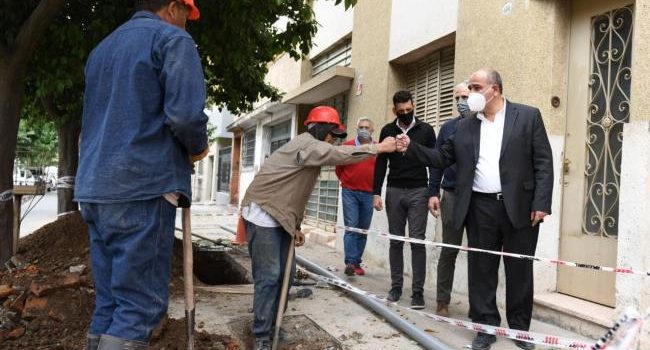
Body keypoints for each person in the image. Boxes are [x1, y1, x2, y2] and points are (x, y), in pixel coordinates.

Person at [75, 1, 207, 349]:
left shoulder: (101, 50)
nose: (186, 25)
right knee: (138, 308)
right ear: (174, 7)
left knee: (109, 303)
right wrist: (197, 147)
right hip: (142, 187)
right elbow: (185, 117)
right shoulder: (172, 41)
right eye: (187, 16)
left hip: (94, 190)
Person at [396, 69, 553, 350]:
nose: (470, 93)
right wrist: (412, 148)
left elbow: (543, 161)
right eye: (469, 87)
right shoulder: (465, 126)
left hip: (521, 206)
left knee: (519, 269)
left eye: (476, 87)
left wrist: (541, 203)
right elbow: (441, 157)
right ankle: (485, 327)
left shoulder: (527, 116)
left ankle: (520, 329)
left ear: (495, 89)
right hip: (480, 207)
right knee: (481, 270)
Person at [241, 106, 396, 350]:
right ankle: (261, 335)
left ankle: (274, 327)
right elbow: (341, 155)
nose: (333, 140)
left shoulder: (311, 151)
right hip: (263, 212)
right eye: (332, 134)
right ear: (321, 128)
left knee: (286, 276)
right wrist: (378, 148)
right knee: (269, 276)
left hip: (283, 215)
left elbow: (296, 191)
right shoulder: (307, 144)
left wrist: (297, 226)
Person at [373, 90, 437, 310]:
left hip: (419, 190)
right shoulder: (387, 131)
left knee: (417, 241)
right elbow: (380, 163)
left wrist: (432, 192)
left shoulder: (426, 130)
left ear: (414, 106)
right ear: (395, 111)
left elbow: (434, 161)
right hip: (394, 190)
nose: (406, 113)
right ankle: (396, 287)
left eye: (409, 110)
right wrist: (376, 192)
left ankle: (417, 293)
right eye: (401, 111)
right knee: (396, 240)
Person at [429, 82, 471, 317]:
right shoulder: (447, 128)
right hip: (452, 194)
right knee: (449, 249)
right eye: (458, 98)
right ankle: (442, 301)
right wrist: (433, 192)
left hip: (478, 197)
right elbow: (437, 161)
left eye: (466, 96)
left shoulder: (486, 125)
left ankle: (479, 304)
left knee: (480, 253)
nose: (461, 102)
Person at [335, 117, 376, 276]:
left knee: (363, 229)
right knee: (352, 226)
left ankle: (357, 262)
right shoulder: (347, 146)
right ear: (357, 128)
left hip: (369, 193)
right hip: (350, 192)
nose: (364, 130)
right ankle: (350, 262)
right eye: (361, 127)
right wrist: (347, 182)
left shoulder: (376, 148)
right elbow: (339, 168)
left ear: (372, 130)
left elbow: (379, 171)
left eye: (367, 127)